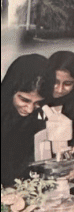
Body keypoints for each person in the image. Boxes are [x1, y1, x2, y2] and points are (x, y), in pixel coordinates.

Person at [1, 54, 51, 188]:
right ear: (10, 89)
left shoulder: (37, 116)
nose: (29, 109)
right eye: (24, 100)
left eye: (37, 103)